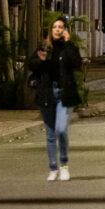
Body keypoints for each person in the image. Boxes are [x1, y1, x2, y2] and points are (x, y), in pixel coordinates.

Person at [27, 17, 82, 181]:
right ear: (51, 30)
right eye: (55, 27)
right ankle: (53, 168)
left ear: (65, 30)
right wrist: (43, 61)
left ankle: (64, 165)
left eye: (61, 27)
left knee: (61, 129)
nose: (57, 29)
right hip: (47, 93)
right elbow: (32, 64)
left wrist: (68, 43)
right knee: (50, 134)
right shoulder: (45, 46)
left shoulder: (69, 47)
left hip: (64, 93)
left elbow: (76, 64)